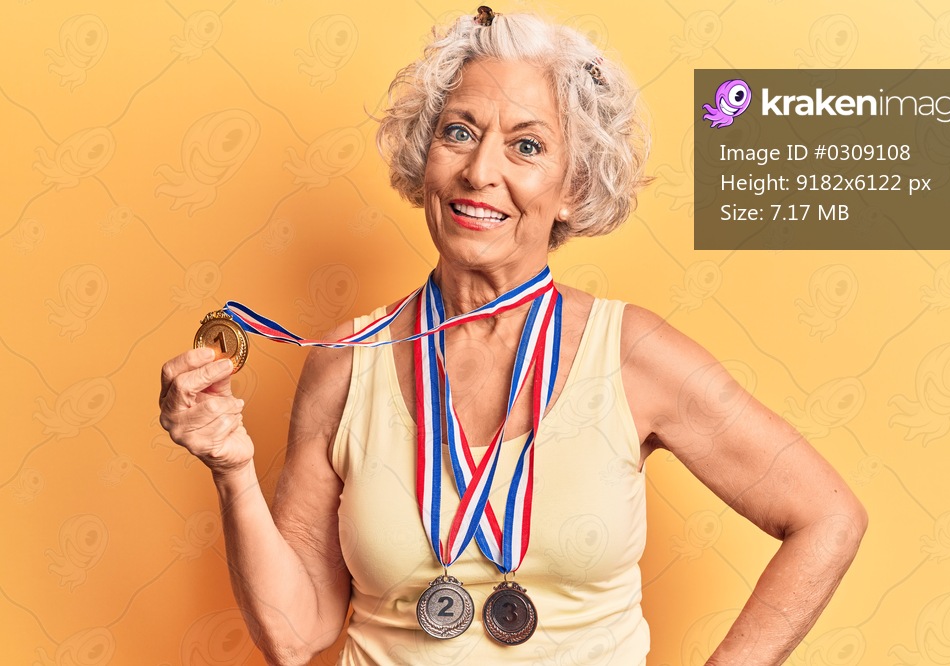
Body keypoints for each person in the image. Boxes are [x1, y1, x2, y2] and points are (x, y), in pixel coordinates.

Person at [159, 9, 867, 666]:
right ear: (425, 156)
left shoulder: (633, 356)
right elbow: (297, 631)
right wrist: (231, 468)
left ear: (573, 185)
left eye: (526, 145)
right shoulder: (346, 363)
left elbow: (827, 515)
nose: (480, 171)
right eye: (459, 131)